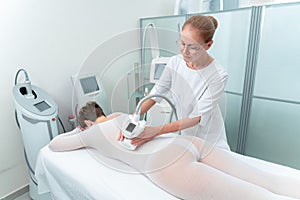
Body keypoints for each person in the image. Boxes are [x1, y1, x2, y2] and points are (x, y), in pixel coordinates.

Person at [49, 102, 300, 200]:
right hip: (184, 142)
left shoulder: (90, 133)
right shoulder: (123, 114)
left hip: (166, 163)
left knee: (256, 197)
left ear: (88, 123)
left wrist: (79, 130)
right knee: (268, 181)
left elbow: (54, 145)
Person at [125, 15, 230, 150]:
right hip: (186, 136)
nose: (184, 52)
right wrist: (133, 119)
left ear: (208, 45)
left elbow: (196, 116)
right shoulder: (175, 62)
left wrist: (155, 131)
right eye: (182, 43)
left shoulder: (218, 75)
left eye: (192, 47)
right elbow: (156, 94)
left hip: (210, 140)